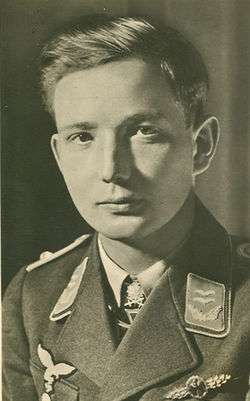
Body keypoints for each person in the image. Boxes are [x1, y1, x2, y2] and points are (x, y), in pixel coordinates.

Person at [3, 15, 250, 401]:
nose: (111, 170)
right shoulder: (33, 297)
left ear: (200, 146)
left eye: (143, 132)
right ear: (59, 155)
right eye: (82, 137)